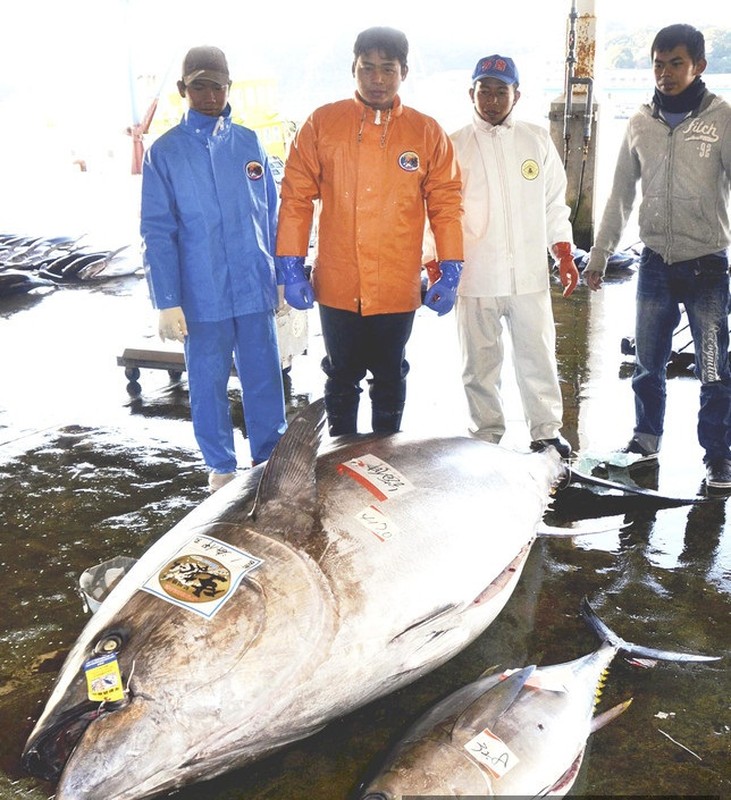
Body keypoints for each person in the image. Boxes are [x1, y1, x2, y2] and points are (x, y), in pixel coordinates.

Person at [275, 26, 464, 436]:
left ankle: (386, 453)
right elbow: (295, 196)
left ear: (404, 72)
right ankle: (339, 456)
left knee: (390, 373)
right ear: (354, 69)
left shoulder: (427, 132)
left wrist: (450, 270)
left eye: (388, 69)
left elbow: (447, 203)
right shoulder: (322, 124)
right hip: (338, 282)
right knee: (341, 374)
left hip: (397, 283)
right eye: (368, 68)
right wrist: (290, 265)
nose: (377, 79)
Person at [583, 24, 731, 490]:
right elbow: (620, 195)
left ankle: (719, 456)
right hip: (654, 265)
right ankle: (645, 443)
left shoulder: (722, 118)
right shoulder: (640, 121)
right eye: (659, 64)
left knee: (713, 368)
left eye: (677, 64)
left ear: (699, 66)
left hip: (707, 265)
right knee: (648, 364)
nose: (665, 74)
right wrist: (599, 254)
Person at [141, 45, 288, 492]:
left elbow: (272, 214)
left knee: (265, 377)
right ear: (183, 89)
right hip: (200, 294)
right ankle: (221, 469)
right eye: (199, 85)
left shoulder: (249, 142)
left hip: (253, 284)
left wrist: (282, 275)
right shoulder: (163, 152)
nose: (209, 95)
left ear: (229, 88)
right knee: (207, 383)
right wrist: (167, 301)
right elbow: (157, 230)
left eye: (217, 85)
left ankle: (269, 460)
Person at [449, 54, 579, 458]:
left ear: (516, 95)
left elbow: (554, 203)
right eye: (483, 90)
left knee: (537, 355)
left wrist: (563, 252)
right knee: (479, 364)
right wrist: (436, 261)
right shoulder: (453, 145)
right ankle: (485, 434)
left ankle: (545, 431)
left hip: (528, 274)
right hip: (475, 275)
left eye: (500, 91)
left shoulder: (536, 139)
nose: (491, 99)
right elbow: (439, 210)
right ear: (471, 93)